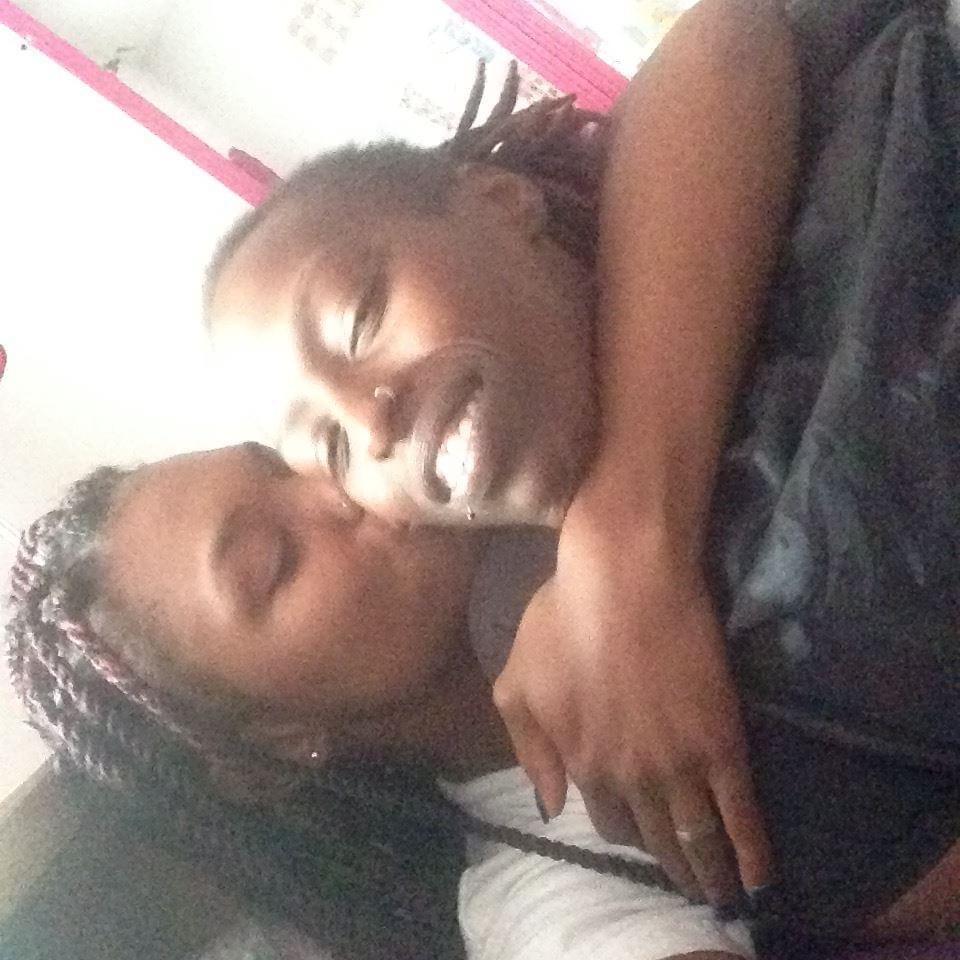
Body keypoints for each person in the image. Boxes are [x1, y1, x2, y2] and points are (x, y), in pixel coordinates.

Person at [202, 0, 960, 947]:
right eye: (332, 450)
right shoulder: (630, 722)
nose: (369, 416)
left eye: (358, 320)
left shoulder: (706, 181)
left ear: (499, 201)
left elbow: (723, 42)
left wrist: (628, 531)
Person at [6, 448, 755, 960]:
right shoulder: (550, 903)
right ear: (276, 740)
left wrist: (629, 541)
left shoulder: (563, 424)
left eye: (283, 462)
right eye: (275, 561)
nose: (337, 487)